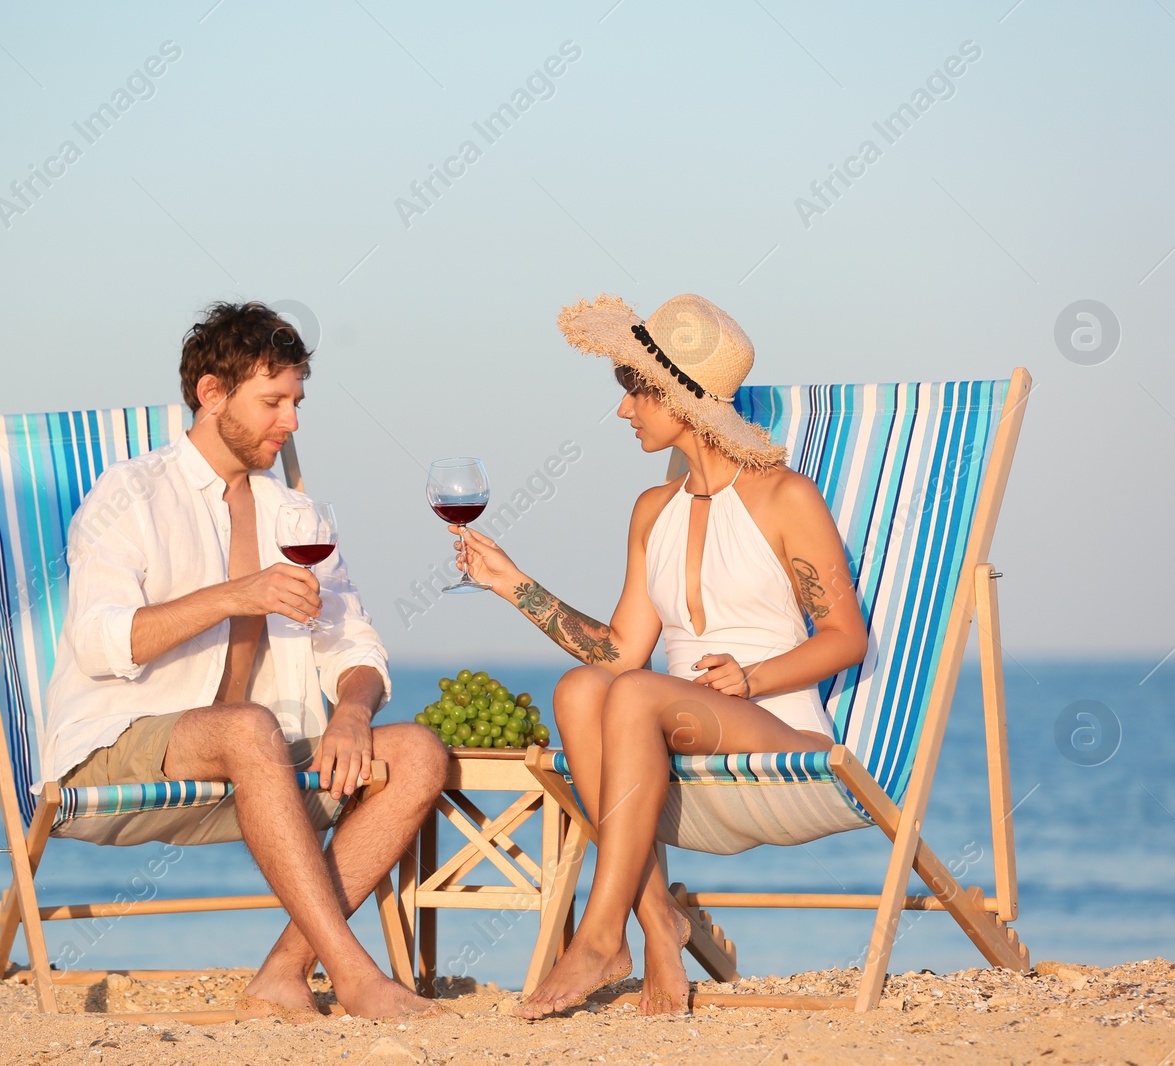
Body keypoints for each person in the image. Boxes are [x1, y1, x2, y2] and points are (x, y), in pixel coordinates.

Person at [452, 293, 867, 1018]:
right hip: (674, 726)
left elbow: (845, 638)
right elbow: (618, 654)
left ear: (682, 397)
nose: (624, 411)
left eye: (636, 391)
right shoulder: (653, 510)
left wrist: (751, 677)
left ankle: (603, 931)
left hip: (776, 726)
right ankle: (656, 932)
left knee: (633, 694)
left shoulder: (786, 497)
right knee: (582, 690)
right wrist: (511, 583)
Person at [43, 300, 447, 1020]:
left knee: (416, 752)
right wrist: (238, 594)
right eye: (273, 401)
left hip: (256, 760)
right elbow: (101, 643)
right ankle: (355, 977)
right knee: (248, 727)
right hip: (119, 740)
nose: (291, 421)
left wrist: (353, 711)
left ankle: (283, 974)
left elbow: (352, 640)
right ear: (211, 394)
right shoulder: (128, 496)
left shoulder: (296, 514)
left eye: (296, 401)